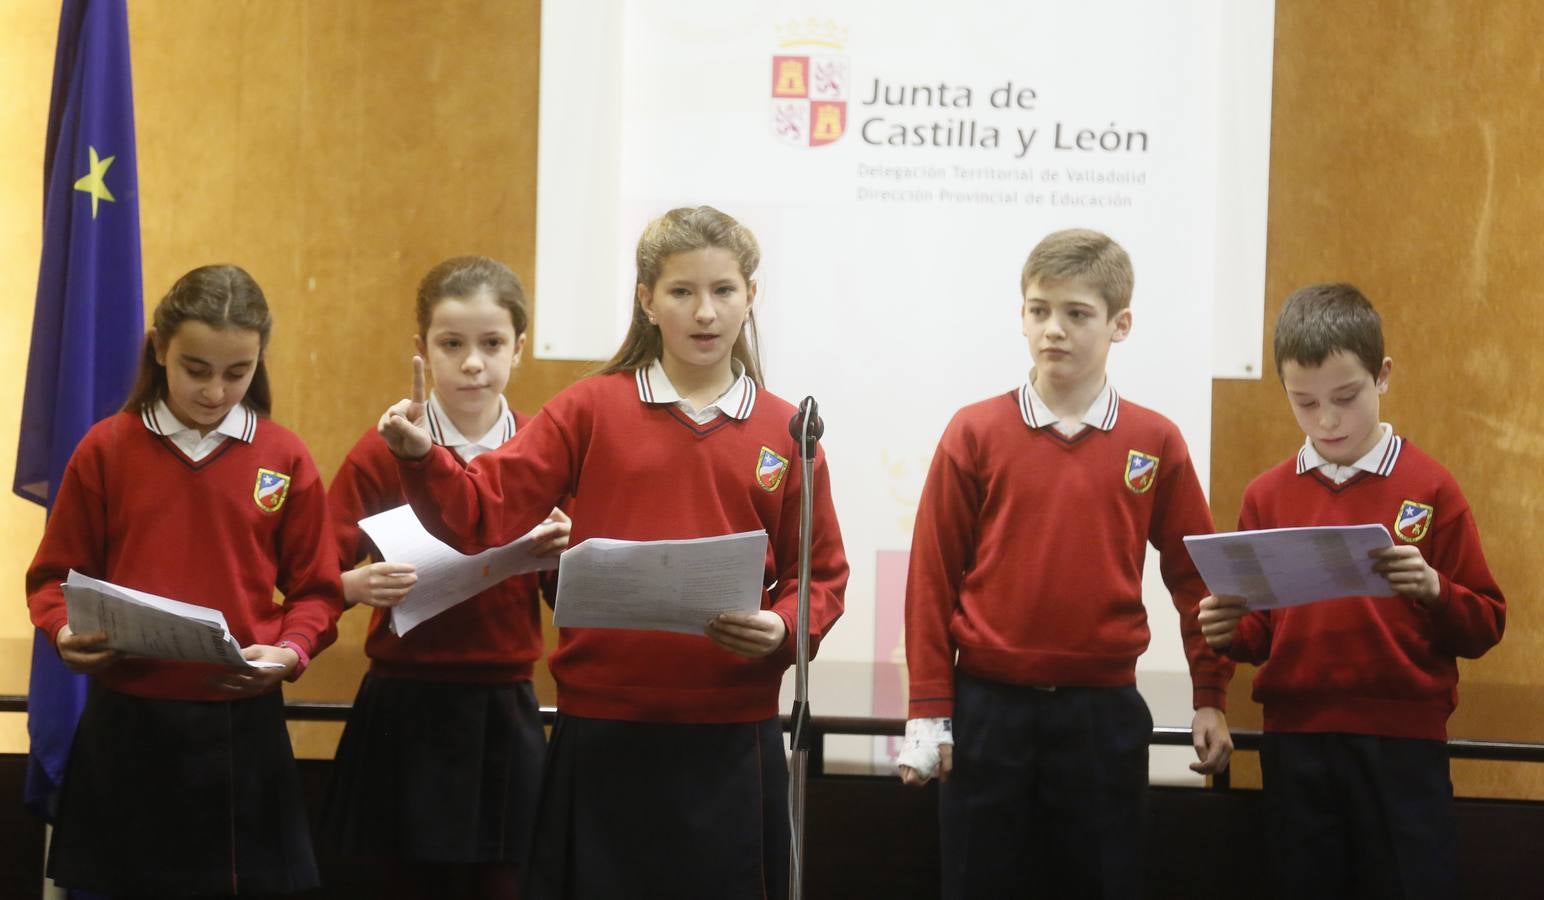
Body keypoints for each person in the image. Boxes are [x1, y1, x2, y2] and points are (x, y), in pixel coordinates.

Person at [378, 206, 847, 899]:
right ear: (647, 300)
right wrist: (423, 457)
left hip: (731, 732)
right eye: (682, 291)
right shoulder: (588, 409)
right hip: (603, 727)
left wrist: (783, 626)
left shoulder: (788, 428)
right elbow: (483, 512)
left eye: (723, 291)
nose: (705, 312)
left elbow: (822, 575)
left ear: (752, 296)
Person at [900, 228, 1234, 898]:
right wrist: (928, 710)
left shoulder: (1154, 441)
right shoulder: (975, 432)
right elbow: (932, 579)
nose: (1053, 329)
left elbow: (1198, 578)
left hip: (1101, 715)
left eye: (1077, 313)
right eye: (1038, 310)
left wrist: (1210, 696)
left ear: (1120, 324)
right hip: (986, 713)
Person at [25, 263, 344, 896]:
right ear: (159, 348)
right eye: (196, 369)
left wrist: (290, 649)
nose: (215, 391)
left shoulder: (283, 457)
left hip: (241, 728)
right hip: (128, 723)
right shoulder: (107, 449)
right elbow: (54, 577)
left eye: (237, 372)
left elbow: (317, 590)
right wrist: (64, 632)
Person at [1198, 282, 1505, 899]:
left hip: (1403, 745)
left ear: (1383, 375)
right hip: (1297, 739)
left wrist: (1435, 590)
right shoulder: (1268, 495)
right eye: (1304, 403)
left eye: (1346, 396)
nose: (1328, 419)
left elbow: (1487, 624)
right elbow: (1265, 632)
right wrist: (1231, 630)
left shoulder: (1430, 487)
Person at [322, 256, 569, 898]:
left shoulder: (543, 455)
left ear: (519, 346)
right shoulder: (382, 451)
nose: (472, 364)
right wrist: (354, 586)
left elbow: (573, 601)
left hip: (504, 707)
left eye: (491, 344)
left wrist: (569, 554)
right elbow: (315, 571)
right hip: (401, 706)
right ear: (422, 349)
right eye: (451, 344)